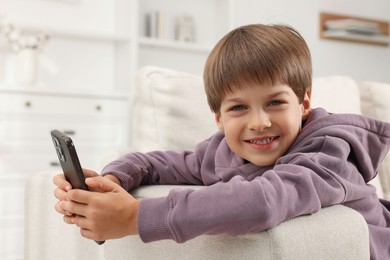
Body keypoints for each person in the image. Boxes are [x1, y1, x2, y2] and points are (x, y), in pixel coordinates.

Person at [54, 24, 390, 259]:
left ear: (303, 104)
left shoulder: (327, 153)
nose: (259, 122)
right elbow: (153, 163)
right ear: (219, 119)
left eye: (275, 102)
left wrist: (134, 217)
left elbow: (264, 200)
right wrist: (110, 180)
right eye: (239, 108)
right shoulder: (219, 153)